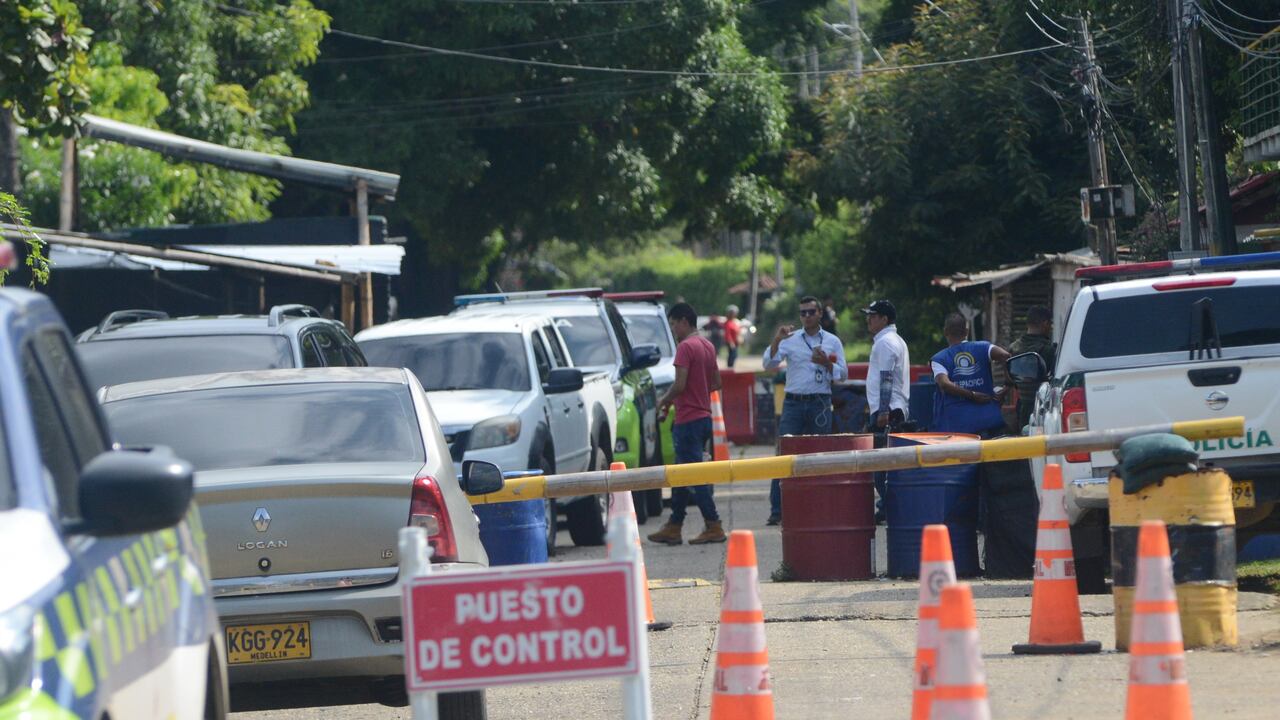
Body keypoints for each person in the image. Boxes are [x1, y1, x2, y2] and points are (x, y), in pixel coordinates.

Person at [762, 295, 848, 525]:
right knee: (784, 454)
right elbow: (768, 365)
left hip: (819, 401)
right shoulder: (789, 340)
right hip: (794, 402)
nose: (807, 316)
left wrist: (827, 364)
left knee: (821, 453)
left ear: (820, 313)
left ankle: (822, 506)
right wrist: (776, 341)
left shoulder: (832, 341)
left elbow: (843, 374)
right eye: (803, 313)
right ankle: (777, 510)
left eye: (811, 312)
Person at [648, 302, 726, 546]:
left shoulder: (685, 347)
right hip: (703, 418)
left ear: (684, 321)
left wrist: (664, 400)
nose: (672, 329)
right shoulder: (707, 345)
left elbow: (679, 385)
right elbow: (716, 383)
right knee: (681, 474)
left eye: (673, 324)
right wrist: (696, 392)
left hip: (688, 421)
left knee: (692, 475)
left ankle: (713, 525)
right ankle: (674, 525)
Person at [931, 313, 1011, 438]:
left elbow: (944, 384)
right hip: (990, 420)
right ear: (966, 331)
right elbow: (1005, 356)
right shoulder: (983, 347)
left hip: (960, 427)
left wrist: (971, 395)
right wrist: (1007, 386)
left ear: (945, 332)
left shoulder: (939, 359)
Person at [1008, 305, 1056, 432]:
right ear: (1045, 323)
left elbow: (1010, 380)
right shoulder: (1048, 350)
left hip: (1022, 407)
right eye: (1050, 324)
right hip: (1042, 408)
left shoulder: (1014, 348)